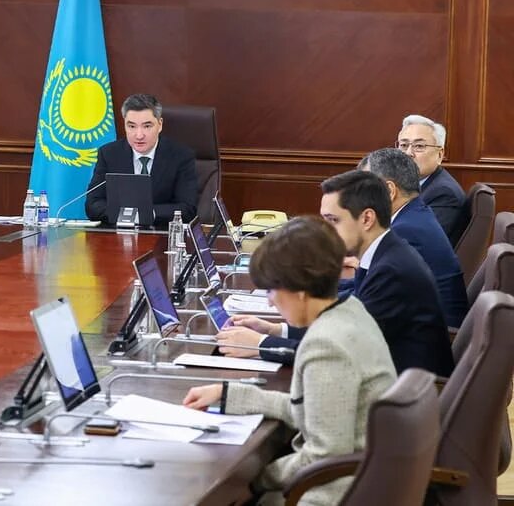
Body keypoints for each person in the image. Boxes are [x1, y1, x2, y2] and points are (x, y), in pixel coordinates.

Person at [183, 216, 396, 506]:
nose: (270, 301)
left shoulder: (326, 344)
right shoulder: (351, 310)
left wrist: (256, 481)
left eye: (273, 290)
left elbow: (325, 456)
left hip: (333, 494)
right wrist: (229, 395)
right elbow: (313, 408)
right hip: (362, 480)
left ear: (299, 291)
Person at [218, 170, 454, 377]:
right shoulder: (384, 254)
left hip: (405, 397)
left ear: (367, 218)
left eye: (333, 220)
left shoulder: (393, 271)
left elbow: (343, 350)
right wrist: (277, 330)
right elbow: (342, 331)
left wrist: (262, 345)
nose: (325, 231)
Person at [361, 147, 467, 327]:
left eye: (363, 188)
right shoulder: (413, 215)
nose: (357, 197)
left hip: (433, 333)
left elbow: (369, 300)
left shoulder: (405, 231)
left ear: (389, 190)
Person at [84, 93, 197, 227]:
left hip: (161, 233)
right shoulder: (109, 154)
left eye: (147, 126)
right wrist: (127, 215)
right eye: (132, 126)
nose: (139, 135)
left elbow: (187, 208)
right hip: (118, 234)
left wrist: (147, 214)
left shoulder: (181, 156)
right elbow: (93, 204)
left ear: (160, 124)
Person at [398, 114, 467, 245]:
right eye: (404, 145)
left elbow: (419, 243)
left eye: (419, 146)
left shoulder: (444, 193)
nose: (408, 153)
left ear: (440, 154)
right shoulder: (410, 184)